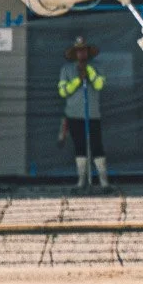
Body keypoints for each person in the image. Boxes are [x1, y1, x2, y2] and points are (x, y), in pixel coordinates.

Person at [57, 36, 110, 192]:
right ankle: (82, 180)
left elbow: (100, 85)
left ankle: (103, 181)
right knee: (79, 146)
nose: (81, 54)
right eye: (78, 51)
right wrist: (77, 81)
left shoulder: (97, 67)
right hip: (74, 114)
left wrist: (89, 73)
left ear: (88, 52)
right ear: (74, 53)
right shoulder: (66, 70)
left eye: (84, 51)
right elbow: (62, 91)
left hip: (92, 114)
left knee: (97, 146)